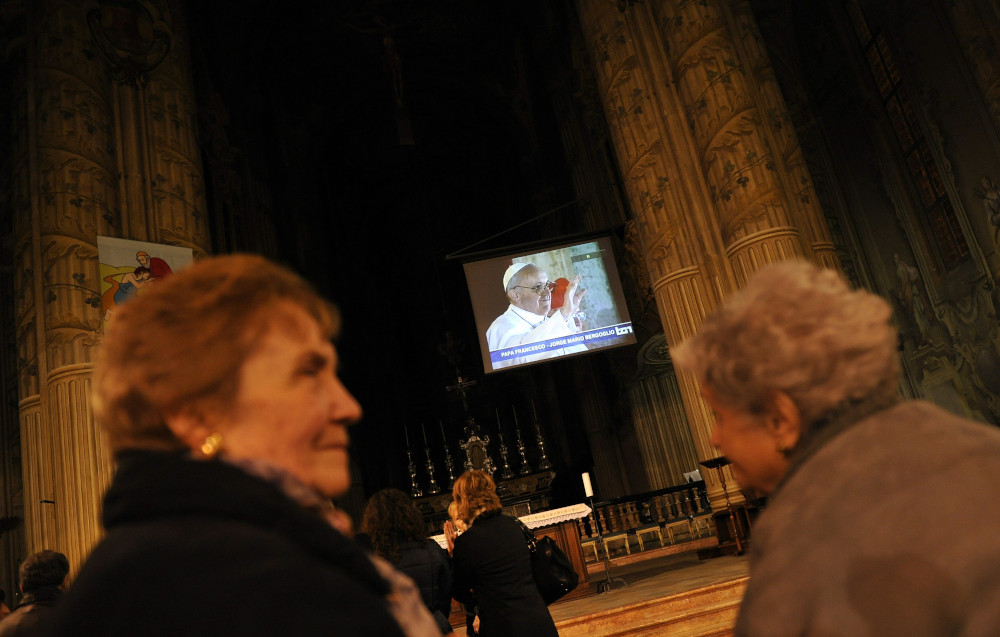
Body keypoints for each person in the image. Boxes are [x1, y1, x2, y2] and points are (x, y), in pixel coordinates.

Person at [45, 254, 441, 637]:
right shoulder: (270, 591)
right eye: (308, 372)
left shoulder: (136, 570)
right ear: (194, 413)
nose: (349, 407)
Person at [670, 260, 1000, 636]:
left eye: (719, 414)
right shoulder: (983, 444)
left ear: (781, 419)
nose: (715, 438)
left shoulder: (799, 544)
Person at [443, 470, 557, 637]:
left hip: (503, 626)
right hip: (537, 621)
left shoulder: (467, 541)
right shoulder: (512, 525)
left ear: (465, 501)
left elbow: (461, 593)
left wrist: (453, 556)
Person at [358, 489, 454, 634]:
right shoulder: (431, 549)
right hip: (433, 626)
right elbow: (446, 593)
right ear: (412, 515)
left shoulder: (373, 559)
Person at [485, 262, 587, 369]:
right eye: (538, 287)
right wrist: (564, 314)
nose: (547, 293)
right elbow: (522, 359)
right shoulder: (501, 327)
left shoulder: (553, 321)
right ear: (515, 295)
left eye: (548, 285)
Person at [0, 550, 69, 637]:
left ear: (21, 588)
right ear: (64, 581)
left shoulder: (5, 628)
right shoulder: (79, 621)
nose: (7, 610)